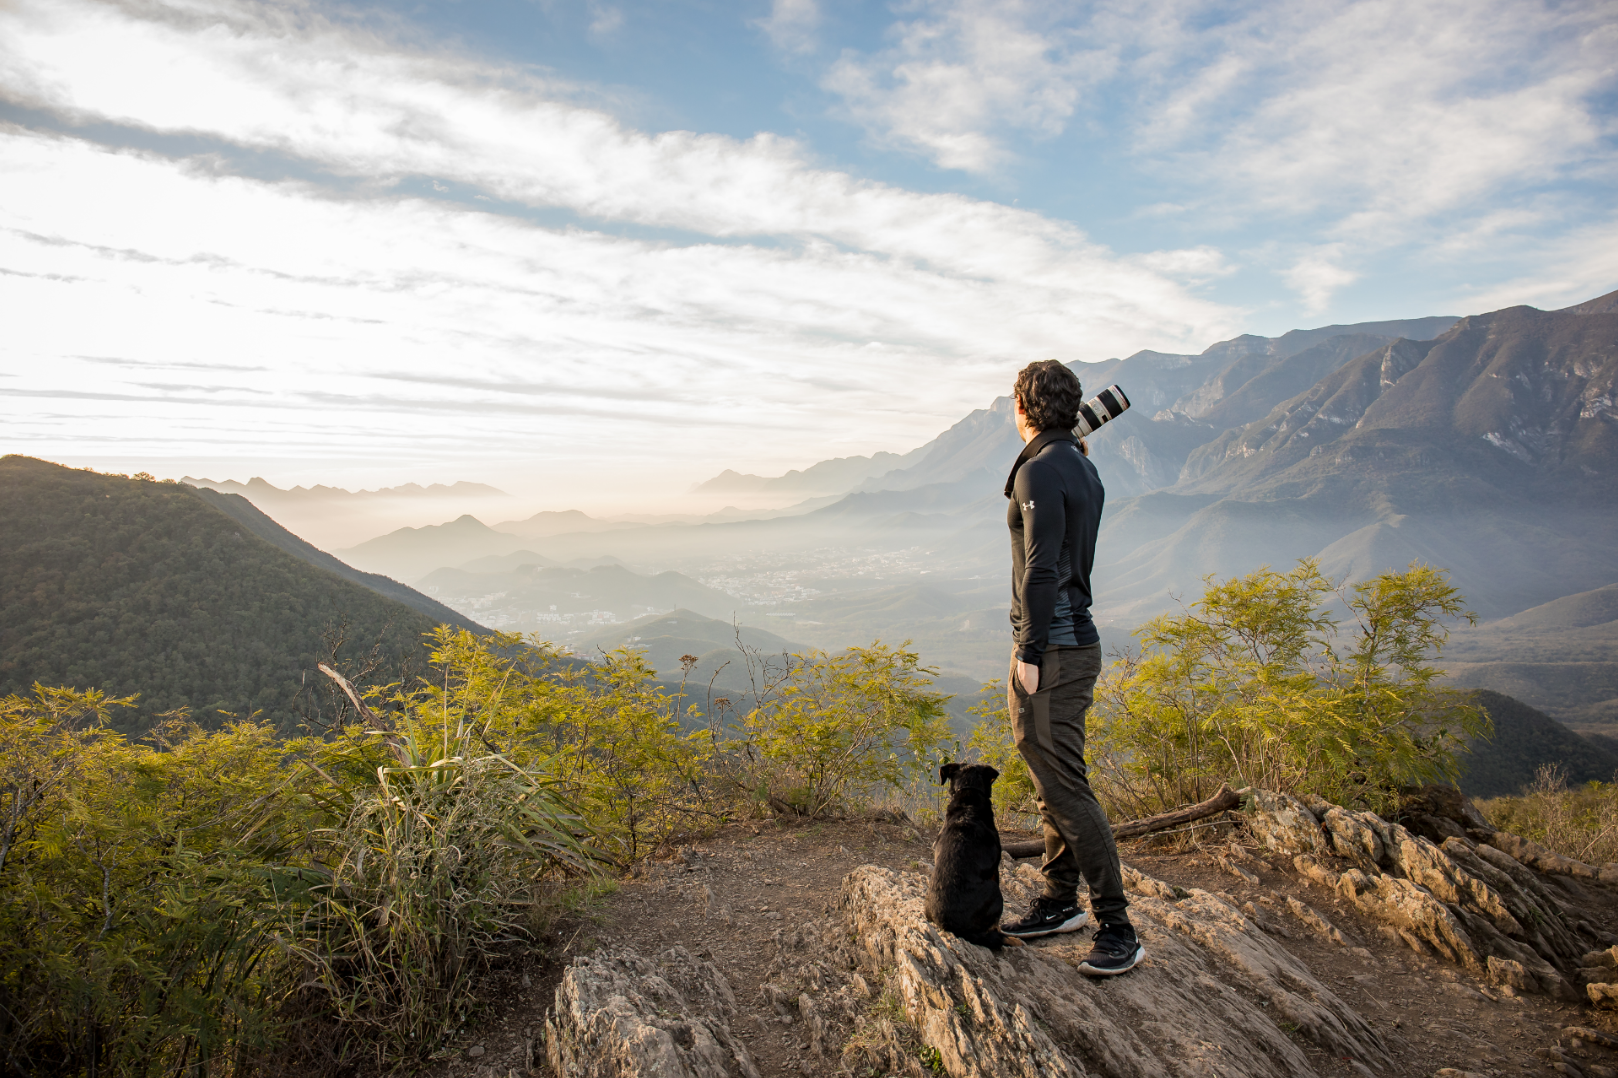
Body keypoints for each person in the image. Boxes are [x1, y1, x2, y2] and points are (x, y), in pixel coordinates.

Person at [997, 360, 1143, 976]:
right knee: (1055, 776)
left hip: (1050, 651)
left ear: (1023, 407)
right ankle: (1060, 901)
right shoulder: (1081, 465)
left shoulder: (1039, 470)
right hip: (1075, 643)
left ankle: (1117, 924)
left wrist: (1028, 652)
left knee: (1063, 786)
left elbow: (1041, 570)